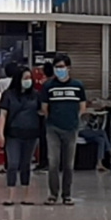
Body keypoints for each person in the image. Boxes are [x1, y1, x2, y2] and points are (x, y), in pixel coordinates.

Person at [41, 55, 86, 205]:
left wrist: (74, 119)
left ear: (68, 68)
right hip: (53, 128)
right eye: (57, 67)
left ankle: (67, 195)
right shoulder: (48, 86)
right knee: (53, 162)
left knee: (68, 164)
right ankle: (53, 194)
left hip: (71, 129)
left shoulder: (77, 85)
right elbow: (44, 108)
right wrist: (54, 119)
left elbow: (82, 106)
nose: (59, 70)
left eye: (62, 66)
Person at [0, 68, 45, 202]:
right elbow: (3, 114)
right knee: (12, 164)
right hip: (13, 134)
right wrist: (1, 134)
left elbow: (42, 111)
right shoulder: (8, 95)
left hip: (31, 134)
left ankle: (26, 195)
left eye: (29, 78)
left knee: (26, 164)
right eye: (25, 78)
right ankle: (10, 195)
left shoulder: (36, 95)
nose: (28, 81)